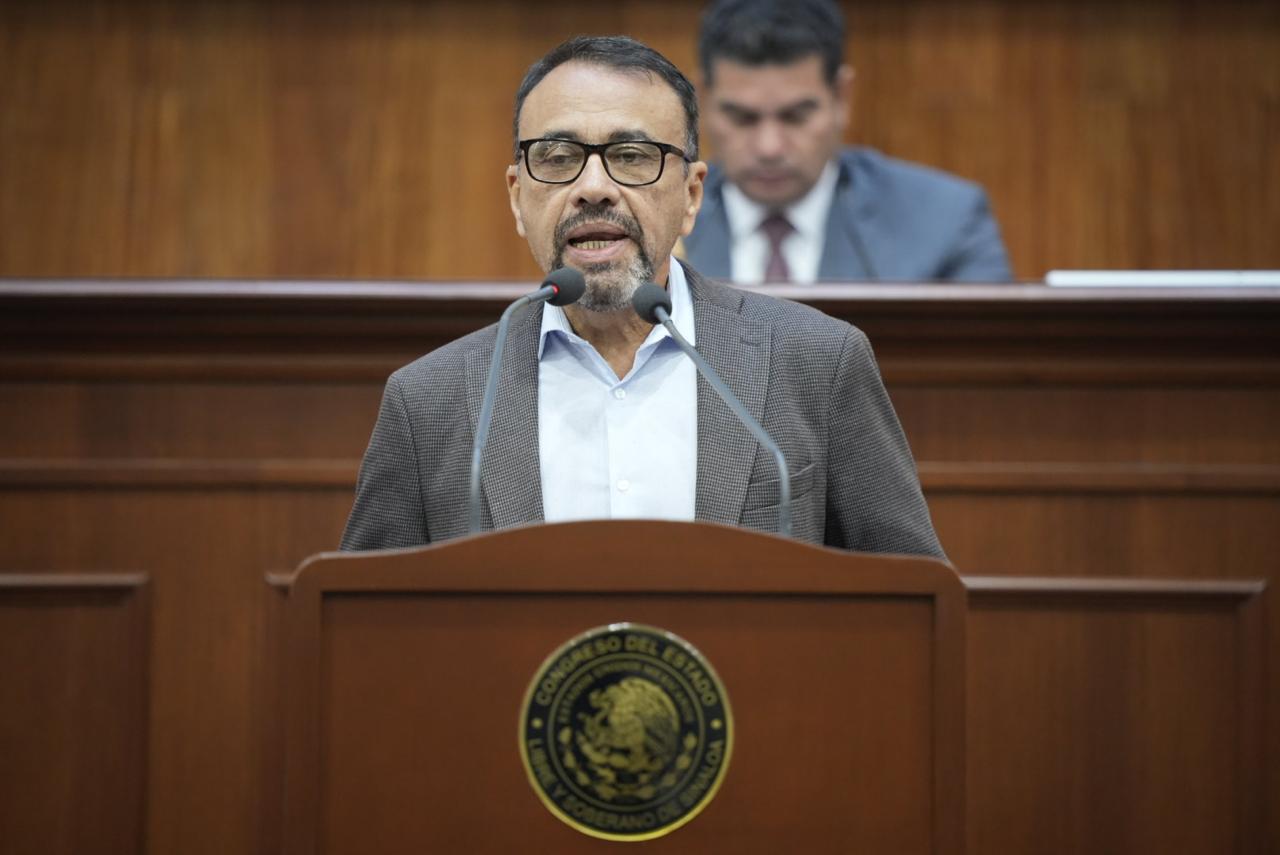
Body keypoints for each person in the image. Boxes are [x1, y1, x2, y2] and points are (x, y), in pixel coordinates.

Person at [341, 35, 943, 559]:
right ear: (517, 197)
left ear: (691, 195)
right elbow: (365, 625)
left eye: (630, 157)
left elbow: (911, 602)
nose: (593, 188)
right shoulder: (428, 402)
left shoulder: (817, 363)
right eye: (558, 157)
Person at [683, 0, 1013, 283]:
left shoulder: (943, 221)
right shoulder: (664, 217)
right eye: (742, 118)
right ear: (704, 100)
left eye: (796, 116)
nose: (770, 148)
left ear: (842, 97)